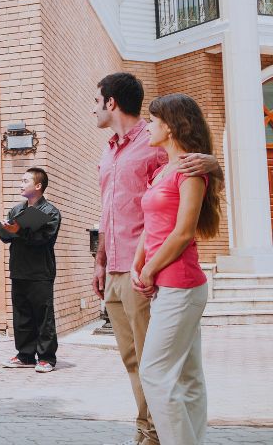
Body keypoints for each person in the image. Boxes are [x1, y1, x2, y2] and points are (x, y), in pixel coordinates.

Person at [91, 72, 219, 445]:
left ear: (111, 102)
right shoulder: (109, 152)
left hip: (157, 273)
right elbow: (109, 211)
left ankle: (154, 435)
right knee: (136, 361)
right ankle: (150, 431)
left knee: (157, 367)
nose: (94, 109)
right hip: (120, 267)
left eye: (96, 101)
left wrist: (214, 163)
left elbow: (192, 173)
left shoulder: (155, 145)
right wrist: (100, 260)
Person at [131, 94, 221, 445]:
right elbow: (153, 224)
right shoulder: (162, 171)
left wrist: (150, 270)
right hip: (167, 285)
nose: (147, 127)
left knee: (154, 372)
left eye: (152, 121)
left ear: (169, 126)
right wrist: (139, 261)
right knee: (187, 376)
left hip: (180, 285)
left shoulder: (190, 171)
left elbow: (183, 233)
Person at [0, 167, 61, 373]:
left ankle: (46, 358)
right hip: (19, 270)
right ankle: (25, 356)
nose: (21, 184)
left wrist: (19, 231)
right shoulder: (16, 210)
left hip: (40, 273)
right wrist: (6, 230)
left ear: (38, 186)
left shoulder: (51, 212)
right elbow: (5, 238)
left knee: (43, 317)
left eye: (25, 180)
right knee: (22, 316)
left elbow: (44, 239)